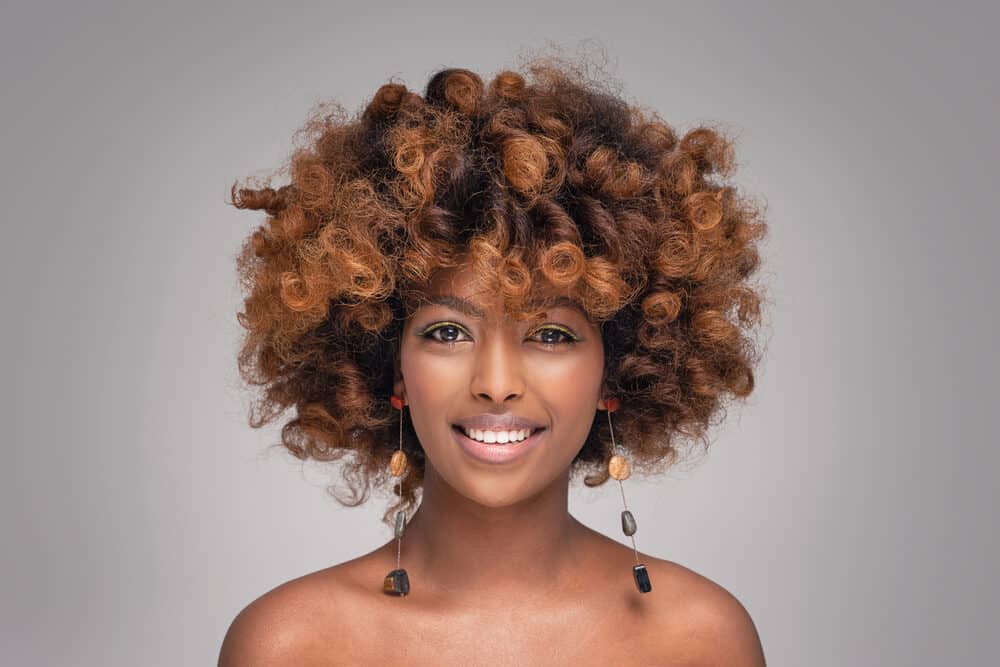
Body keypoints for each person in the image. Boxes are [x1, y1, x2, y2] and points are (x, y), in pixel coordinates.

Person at [218, 54, 769, 665]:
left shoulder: (700, 640)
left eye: (552, 335)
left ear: (616, 371)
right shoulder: (290, 645)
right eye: (449, 332)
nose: (497, 384)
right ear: (391, 366)